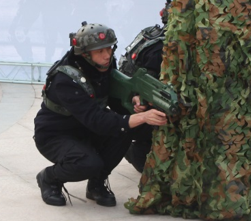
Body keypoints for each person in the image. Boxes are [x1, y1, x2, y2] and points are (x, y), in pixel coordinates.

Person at [34, 21, 167, 207]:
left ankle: (96, 184)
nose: (107, 55)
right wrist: (141, 117)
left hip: (85, 128)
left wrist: (134, 101)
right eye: (100, 51)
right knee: (87, 163)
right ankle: (49, 178)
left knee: (129, 129)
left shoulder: (102, 65)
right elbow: (97, 120)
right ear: (85, 54)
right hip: (56, 134)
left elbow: (112, 97)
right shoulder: (65, 79)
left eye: (109, 49)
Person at [118, 0, 170, 172]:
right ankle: (132, 151)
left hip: (128, 92)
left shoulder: (152, 32)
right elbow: (149, 82)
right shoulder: (162, 47)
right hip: (135, 101)